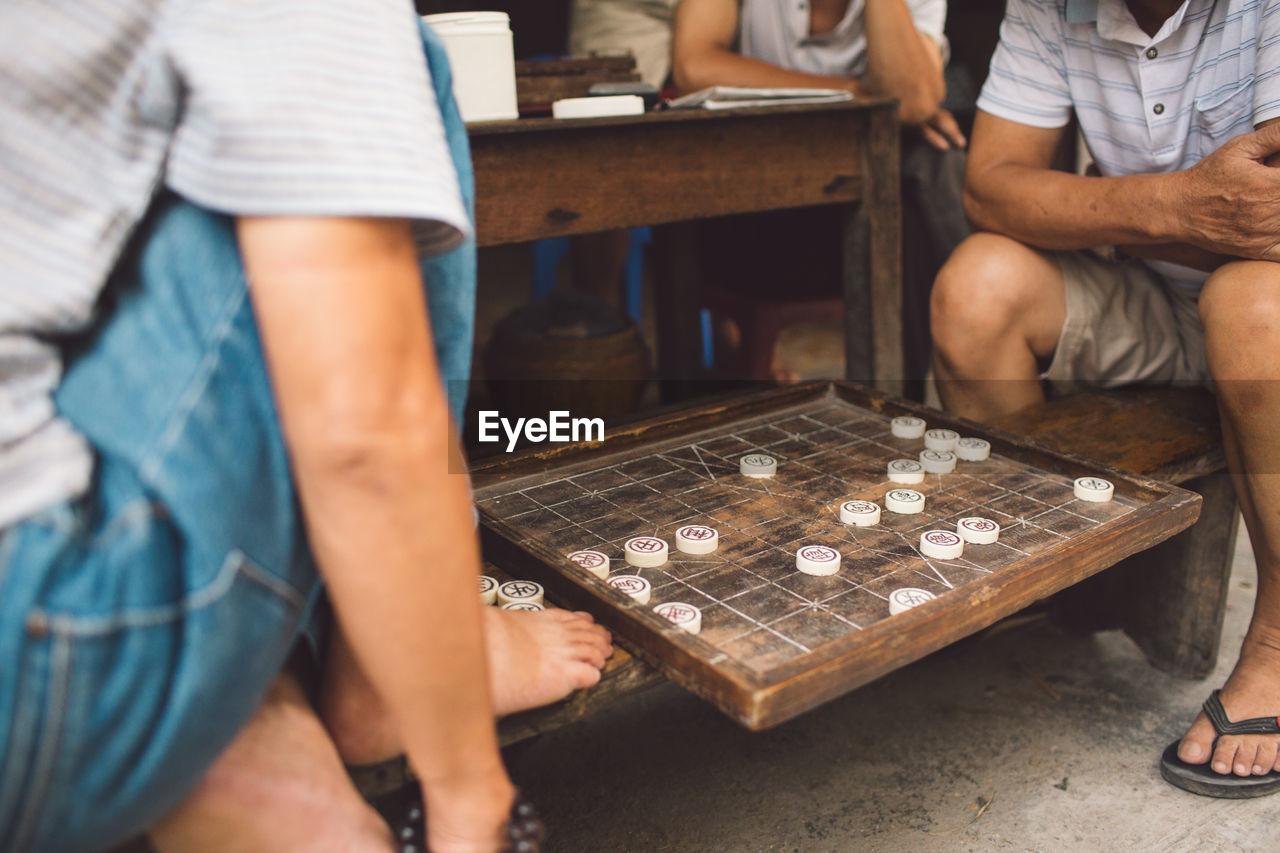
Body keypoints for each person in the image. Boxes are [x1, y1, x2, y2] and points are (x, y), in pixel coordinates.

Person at [0, 4, 611, 852]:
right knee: (393, 80)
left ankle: (253, 720)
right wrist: (472, 801)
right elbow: (363, 428)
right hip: (46, 671)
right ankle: (391, 667)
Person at [928, 0, 1280, 796]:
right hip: (1155, 292)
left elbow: (1271, 226)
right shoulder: (1051, 6)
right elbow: (989, 190)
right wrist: (1171, 204)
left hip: (1264, 308)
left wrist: (1094, 207)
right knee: (976, 286)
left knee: (1251, 306)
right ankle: (1047, 576)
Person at [671, 0, 971, 388]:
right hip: (751, 224)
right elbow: (694, 67)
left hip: (863, 228)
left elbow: (911, 101)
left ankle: (914, 397)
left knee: (934, 155)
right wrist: (854, 93)